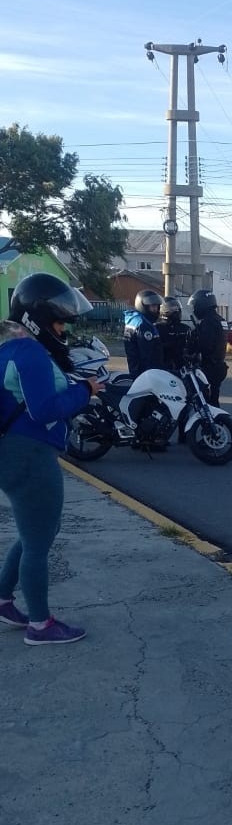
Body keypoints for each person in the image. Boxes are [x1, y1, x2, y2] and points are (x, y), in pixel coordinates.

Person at [0, 273, 103, 646]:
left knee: (33, 533)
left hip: (16, 452)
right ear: (37, 318)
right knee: (39, 540)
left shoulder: (9, 348)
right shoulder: (30, 352)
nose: (62, 329)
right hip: (29, 455)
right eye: (58, 321)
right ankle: (40, 625)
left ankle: (3, 599)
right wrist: (84, 391)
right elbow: (44, 410)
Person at [188, 290, 228, 405]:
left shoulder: (208, 322)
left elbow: (205, 345)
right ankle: (217, 421)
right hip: (219, 365)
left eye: (195, 305)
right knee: (214, 400)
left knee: (202, 402)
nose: (194, 309)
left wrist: (192, 351)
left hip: (208, 367)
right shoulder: (220, 320)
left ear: (202, 305)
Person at [123, 289, 164, 380]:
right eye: (152, 306)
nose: (156, 310)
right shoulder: (144, 325)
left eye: (157, 306)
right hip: (146, 374)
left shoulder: (133, 319)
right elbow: (147, 355)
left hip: (135, 370)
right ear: (143, 306)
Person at [157, 296, 192, 374]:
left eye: (177, 308)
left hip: (183, 367)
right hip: (164, 367)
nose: (176, 311)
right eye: (172, 309)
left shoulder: (185, 328)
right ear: (163, 310)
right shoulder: (157, 328)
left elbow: (190, 348)